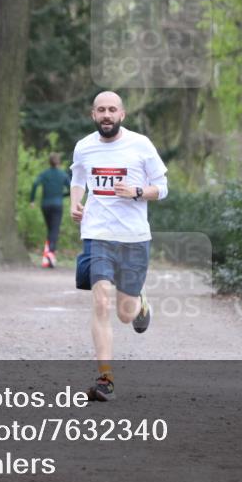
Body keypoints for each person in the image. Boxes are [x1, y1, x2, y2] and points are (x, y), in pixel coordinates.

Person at [70, 91, 168, 401]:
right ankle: (105, 378)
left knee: (125, 313)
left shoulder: (140, 145)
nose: (107, 115)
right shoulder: (84, 147)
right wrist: (75, 202)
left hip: (134, 238)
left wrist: (138, 191)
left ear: (122, 114)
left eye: (112, 109)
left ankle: (140, 305)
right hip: (98, 234)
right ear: (93, 115)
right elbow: (78, 178)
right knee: (100, 300)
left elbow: (162, 188)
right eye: (101, 110)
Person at [29, 152, 70, 268]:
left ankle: (48, 257)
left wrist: (32, 200)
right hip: (57, 205)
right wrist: (62, 195)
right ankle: (50, 254)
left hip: (45, 205)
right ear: (59, 162)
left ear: (49, 162)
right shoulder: (62, 175)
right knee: (55, 230)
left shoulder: (44, 174)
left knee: (50, 229)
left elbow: (35, 184)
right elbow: (72, 188)